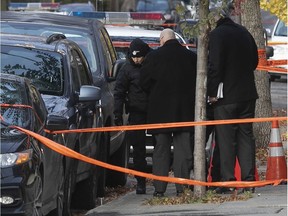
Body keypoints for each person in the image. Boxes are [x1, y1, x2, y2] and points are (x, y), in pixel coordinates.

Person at [139, 28, 197, 197]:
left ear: (162, 39)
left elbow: (144, 83)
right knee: (183, 151)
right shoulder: (191, 57)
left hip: (160, 112)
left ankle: (159, 188)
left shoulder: (153, 57)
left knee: (160, 151)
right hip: (184, 112)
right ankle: (182, 187)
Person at [207, 9, 259, 194]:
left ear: (213, 22)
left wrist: (212, 92)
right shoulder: (244, 32)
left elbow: (215, 66)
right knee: (246, 137)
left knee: (226, 139)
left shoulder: (217, 35)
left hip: (226, 97)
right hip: (247, 94)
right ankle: (249, 181)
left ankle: (228, 180)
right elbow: (254, 61)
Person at [113, 38, 151, 194]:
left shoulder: (151, 64)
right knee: (138, 149)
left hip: (154, 110)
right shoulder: (126, 68)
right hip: (136, 112)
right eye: (134, 57)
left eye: (139, 57)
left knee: (161, 145)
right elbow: (119, 92)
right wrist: (117, 114)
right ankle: (140, 181)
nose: (136, 60)